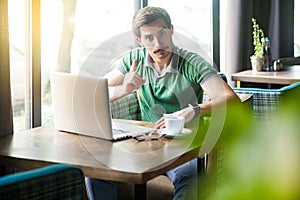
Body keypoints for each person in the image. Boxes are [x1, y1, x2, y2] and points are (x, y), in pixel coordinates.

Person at [85, 6, 240, 200]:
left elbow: (231, 100)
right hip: (144, 144)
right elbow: (93, 93)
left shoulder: (192, 63)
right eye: (149, 38)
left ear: (172, 30)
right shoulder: (134, 60)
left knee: (189, 179)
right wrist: (122, 89)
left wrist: (194, 110)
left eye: (162, 34)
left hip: (183, 148)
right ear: (139, 41)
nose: (159, 44)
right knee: (95, 171)